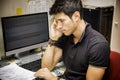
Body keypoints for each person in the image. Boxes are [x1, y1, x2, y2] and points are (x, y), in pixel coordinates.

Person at [34, 0, 110, 80]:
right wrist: (53, 38)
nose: (58, 26)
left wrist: (54, 79)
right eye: (57, 21)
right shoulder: (65, 35)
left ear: (76, 16)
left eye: (62, 21)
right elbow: (46, 68)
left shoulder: (98, 45)